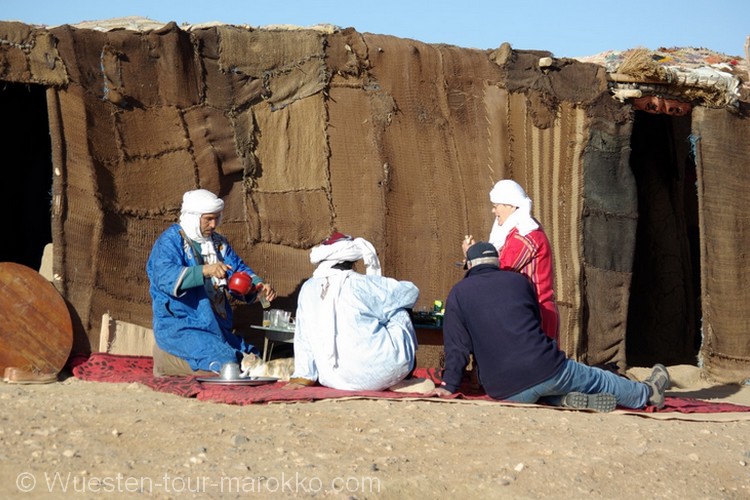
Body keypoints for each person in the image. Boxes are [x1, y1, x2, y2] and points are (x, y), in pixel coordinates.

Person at [435, 242, 670, 412]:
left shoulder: (458, 294)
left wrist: (449, 385)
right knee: (597, 378)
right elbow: (534, 321)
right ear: (496, 263)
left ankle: (564, 401)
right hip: (544, 368)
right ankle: (648, 393)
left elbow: (457, 347)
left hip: (505, 390)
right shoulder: (519, 282)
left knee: (534, 389)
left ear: (469, 266)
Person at [146, 189, 277, 376]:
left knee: (253, 357)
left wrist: (256, 284)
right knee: (227, 364)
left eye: (216, 218)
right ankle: (166, 360)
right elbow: (164, 276)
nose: (214, 224)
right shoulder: (169, 242)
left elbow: (237, 269)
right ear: (193, 217)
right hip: (181, 325)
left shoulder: (217, 243)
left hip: (214, 326)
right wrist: (205, 270)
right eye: (208, 219)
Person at [282, 232, 422, 391]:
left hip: (332, 379)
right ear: (352, 261)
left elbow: (303, 337)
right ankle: (403, 376)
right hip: (378, 375)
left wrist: (303, 376)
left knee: (383, 306)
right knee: (398, 307)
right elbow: (412, 292)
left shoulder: (307, 288)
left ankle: (306, 377)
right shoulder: (362, 283)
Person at [462, 179, 559, 342]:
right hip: (524, 313)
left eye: (496, 206)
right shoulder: (514, 234)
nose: (493, 210)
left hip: (536, 314)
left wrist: (473, 255)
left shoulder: (525, 235)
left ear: (510, 206)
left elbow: (499, 270)